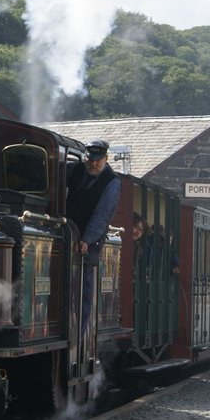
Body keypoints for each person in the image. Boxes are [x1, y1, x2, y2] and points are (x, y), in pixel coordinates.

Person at [67, 139, 121, 333]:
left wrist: (86, 240)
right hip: (67, 233)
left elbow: (102, 215)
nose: (94, 164)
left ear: (105, 159)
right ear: (85, 157)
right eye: (90, 159)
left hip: (88, 242)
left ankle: (79, 335)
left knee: (84, 291)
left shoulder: (112, 182)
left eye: (98, 160)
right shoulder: (72, 170)